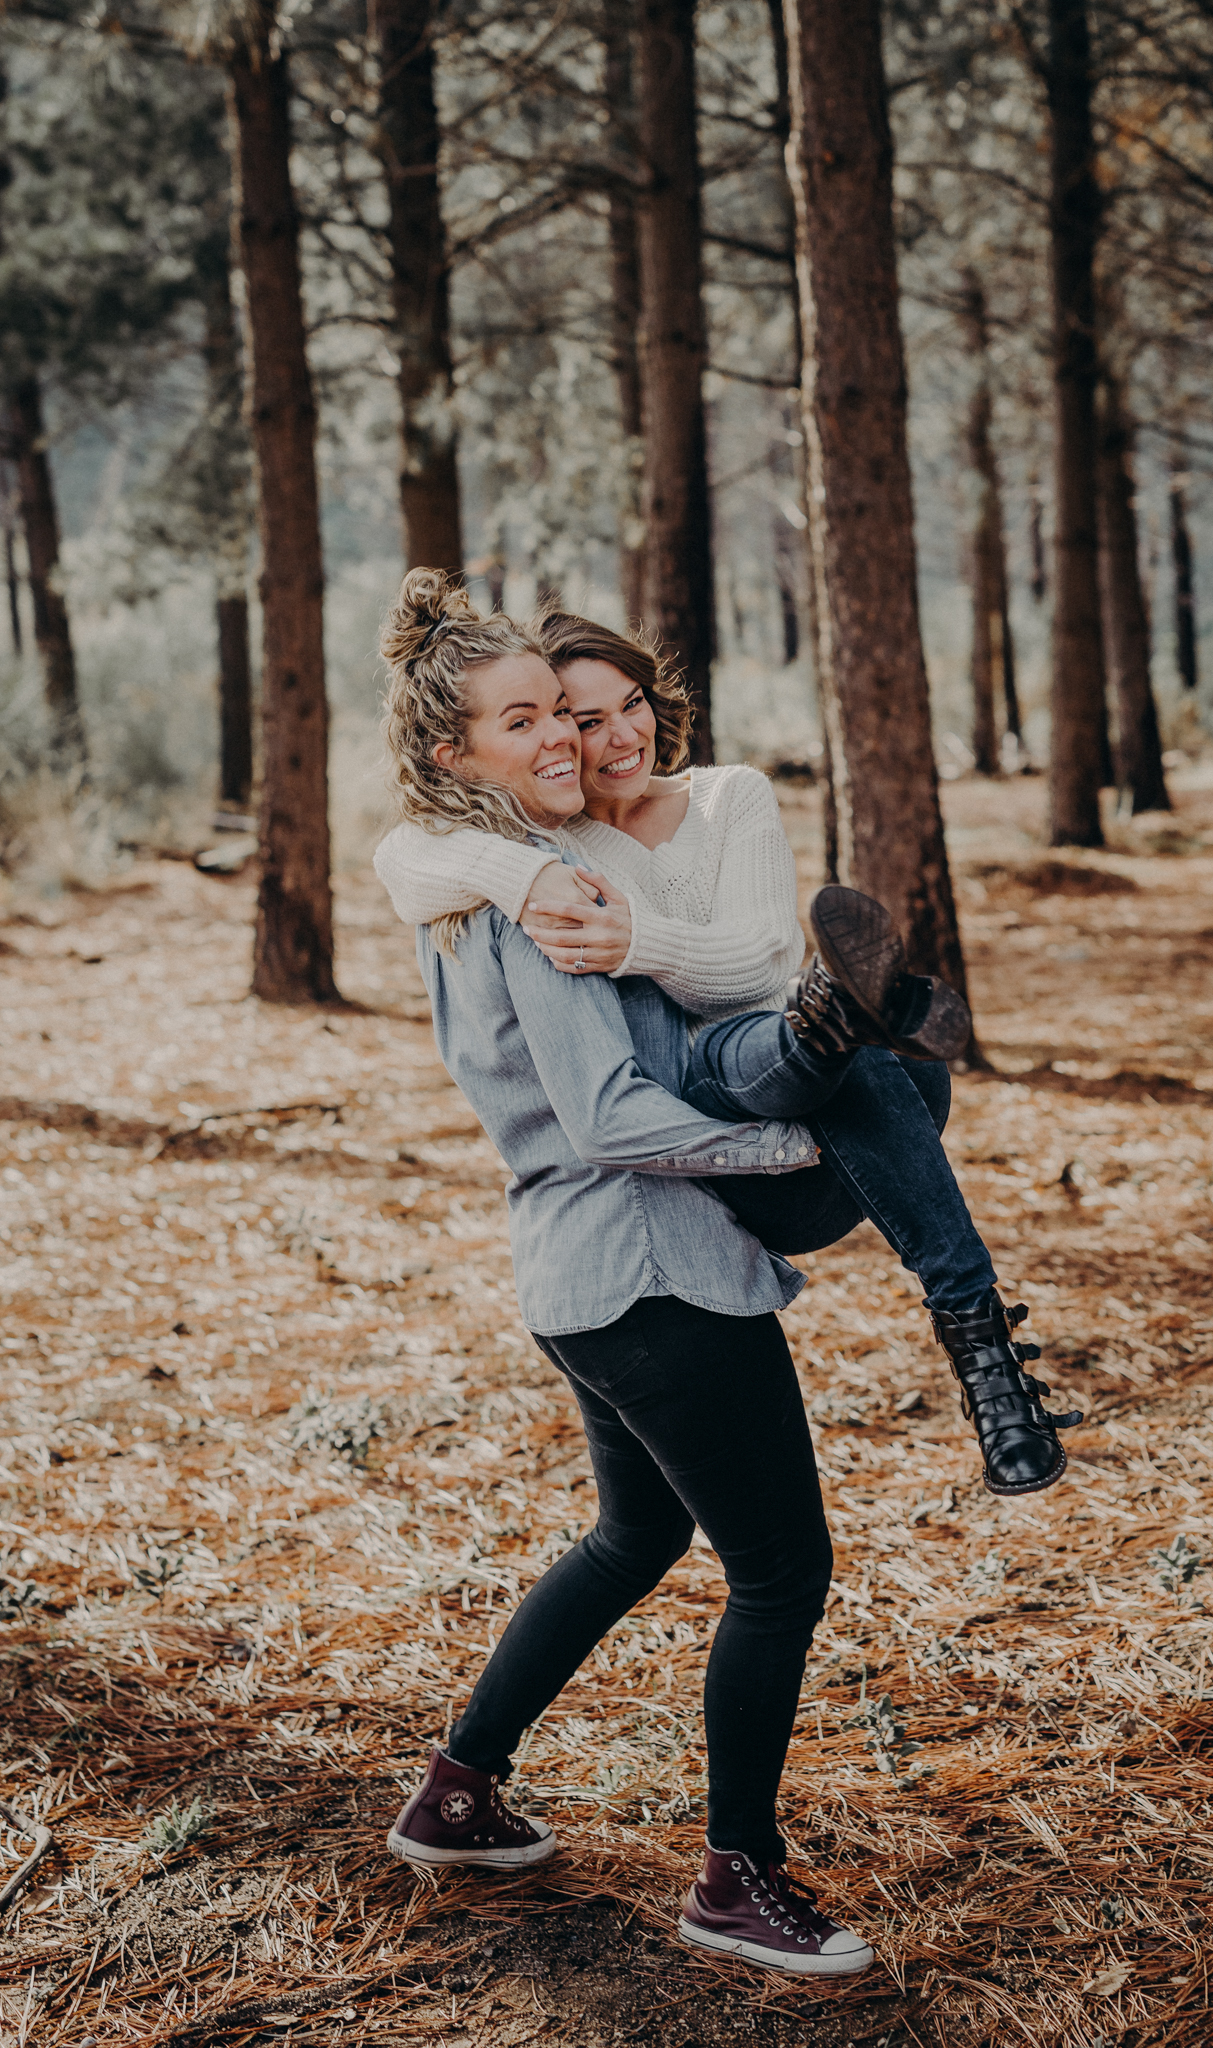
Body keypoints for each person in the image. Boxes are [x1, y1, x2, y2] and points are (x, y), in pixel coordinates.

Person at [376, 571, 873, 1975]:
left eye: (559, 713)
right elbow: (603, 1114)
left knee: (635, 1537)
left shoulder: (479, 879)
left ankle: (458, 1791)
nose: (556, 741)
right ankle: (736, 1881)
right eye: (517, 720)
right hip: (653, 1276)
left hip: (575, 1278)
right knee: (780, 1571)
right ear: (450, 752)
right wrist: (781, 1148)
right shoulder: (530, 895)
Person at [375, 605, 1081, 1498]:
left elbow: (756, 959)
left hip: (825, 1118)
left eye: (625, 704)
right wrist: (523, 872)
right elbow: (401, 853)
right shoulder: (549, 841)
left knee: (871, 1058)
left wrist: (635, 941)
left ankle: (972, 1326)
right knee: (806, 1041)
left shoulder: (728, 795)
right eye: (579, 719)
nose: (613, 734)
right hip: (711, 1130)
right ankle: (980, 1344)